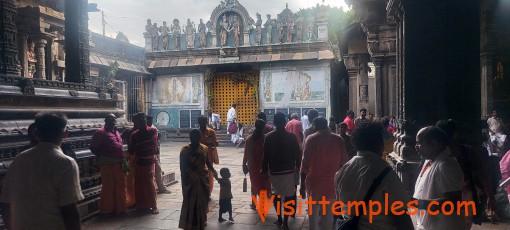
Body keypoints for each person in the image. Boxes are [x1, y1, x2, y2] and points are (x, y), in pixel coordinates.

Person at [0, 113, 84, 229]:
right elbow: (69, 210)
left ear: (36, 133)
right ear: (65, 134)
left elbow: (5, 203)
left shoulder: (19, 160)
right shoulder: (65, 163)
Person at [335, 121, 413, 230]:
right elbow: (402, 217)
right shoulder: (386, 173)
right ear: (379, 142)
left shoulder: (343, 170)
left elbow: (340, 207)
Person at [437, 119, 495, 227]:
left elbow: (481, 173)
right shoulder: (466, 151)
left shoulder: (436, 154)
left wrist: (490, 196)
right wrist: (490, 196)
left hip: (447, 194)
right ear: (455, 134)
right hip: (464, 194)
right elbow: (482, 174)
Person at [300, 117, 348, 229]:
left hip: (314, 185)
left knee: (313, 215)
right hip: (332, 184)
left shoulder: (311, 139)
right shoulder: (338, 140)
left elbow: (304, 164)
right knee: (328, 215)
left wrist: (302, 185)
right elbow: (344, 163)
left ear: (315, 126)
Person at [413, 126, 465, 230]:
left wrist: (417, 203)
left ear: (433, 144)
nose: (416, 147)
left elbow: (453, 203)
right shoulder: (430, 162)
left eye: (419, 143)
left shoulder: (446, 165)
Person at [262, 112, 301, 230]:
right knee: (289, 196)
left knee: (276, 195)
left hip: (275, 171)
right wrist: (297, 166)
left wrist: (264, 170)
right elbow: (298, 154)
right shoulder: (291, 136)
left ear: (274, 122)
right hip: (288, 171)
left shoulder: (268, 136)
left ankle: (279, 218)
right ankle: (285, 221)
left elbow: (265, 156)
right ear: (285, 122)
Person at [179, 129, 217, 230]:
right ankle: (190, 223)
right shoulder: (185, 150)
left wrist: (213, 171)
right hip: (190, 181)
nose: (195, 139)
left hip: (202, 179)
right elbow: (182, 167)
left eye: (197, 136)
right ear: (190, 137)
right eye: (193, 137)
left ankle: (202, 221)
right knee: (191, 203)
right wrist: (185, 182)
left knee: (202, 201)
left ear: (200, 137)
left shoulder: (204, 148)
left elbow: (207, 161)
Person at [89, 114, 127, 215]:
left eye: (114, 119)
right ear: (105, 121)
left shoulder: (117, 132)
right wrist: (101, 156)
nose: (113, 121)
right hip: (107, 164)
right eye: (110, 119)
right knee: (108, 187)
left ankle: (120, 208)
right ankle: (107, 210)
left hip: (118, 163)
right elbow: (92, 147)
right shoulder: (100, 132)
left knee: (121, 186)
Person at [128, 112, 159, 214]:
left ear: (146, 120)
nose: (141, 122)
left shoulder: (153, 131)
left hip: (149, 161)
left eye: (143, 119)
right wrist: (142, 146)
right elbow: (131, 150)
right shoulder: (134, 134)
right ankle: (141, 206)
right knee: (138, 184)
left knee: (150, 184)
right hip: (139, 161)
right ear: (135, 122)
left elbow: (153, 144)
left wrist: (139, 146)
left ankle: (154, 206)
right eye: (138, 120)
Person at [243, 119, 271, 209]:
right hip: (264, 165)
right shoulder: (266, 138)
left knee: (254, 184)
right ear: (263, 127)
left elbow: (246, 153)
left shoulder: (249, 139)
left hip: (253, 166)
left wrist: (244, 164)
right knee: (263, 184)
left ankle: (254, 203)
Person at [147, 115, 171, 194]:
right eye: (149, 120)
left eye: (151, 120)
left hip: (154, 152)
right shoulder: (145, 129)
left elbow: (157, 138)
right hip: (147, 155)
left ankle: (161, 188)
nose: (150, 122)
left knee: (158, 169)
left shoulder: (153, 128)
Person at [198, 115, 219, 195]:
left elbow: (216, 143)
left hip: (209, 156)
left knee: (209, 174)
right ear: (199, 123)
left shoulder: (211, 132)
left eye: (204, 122)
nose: (202, 124)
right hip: (199, 156)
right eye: (201, 122)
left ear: (206, 122)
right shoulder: (197, 132)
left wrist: (211, 143)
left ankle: (208, 191)